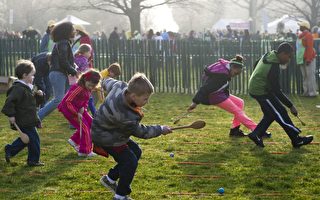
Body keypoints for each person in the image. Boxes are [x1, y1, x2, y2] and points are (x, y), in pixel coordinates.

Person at [91, 73, 172, 200]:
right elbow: (141, 132)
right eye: (145, 99)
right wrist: (160, 129)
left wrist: (102, 80)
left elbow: (107, 81)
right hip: (106, 137)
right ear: (133, 96)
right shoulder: (125, 115)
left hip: (112, 131)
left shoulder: (120, 86)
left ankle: (110, 179)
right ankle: (120, 196)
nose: (147, 101)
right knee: (130, 161)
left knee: (136, 151)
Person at [248, 42, 313, 148]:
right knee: (280, 113)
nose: (289, 59)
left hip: (262, 89)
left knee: (271, 114)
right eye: (289, 56)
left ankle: (256, 134)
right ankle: (296, 139)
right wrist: (291, 105)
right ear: (283, 53)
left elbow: (256, 63)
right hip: (260, 91)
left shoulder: (270, 55)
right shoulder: (274, 66)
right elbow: (277, 91)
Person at [187, 55, 270, 138]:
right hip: (214, 96)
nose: (235, 75)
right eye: (236, 73)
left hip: (220, 93)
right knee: (238, 111)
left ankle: (235, 130)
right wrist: (195, 102)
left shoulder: (227, 66)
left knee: (240, 102)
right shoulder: (221, 76)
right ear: (232, 67)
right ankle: (258, 131)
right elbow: (205, 88)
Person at [2, 60, 45, 166]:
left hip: (28, 119)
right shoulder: (18, 89)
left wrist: (39, 96)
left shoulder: (27, 88)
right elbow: (9, 102)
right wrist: (11, 115)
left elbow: (32, 104)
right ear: (24, 75)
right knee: (34, 140)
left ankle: (10, 150)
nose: (33, 77)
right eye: (32, 75)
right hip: (23, 119)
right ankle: (33, 160)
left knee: (26, 139)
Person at [38, 22, 78, 121]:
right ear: (67, 31)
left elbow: (66, 60)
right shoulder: (63, 43)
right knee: (58, 99)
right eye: (73, 29)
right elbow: (63, 61)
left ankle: (72, 121)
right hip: (58, 73)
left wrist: (73, 67)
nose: (75, 31)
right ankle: (37, 117)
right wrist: (73, 70)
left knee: (68, 99)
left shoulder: (64, 42)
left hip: (63, 73)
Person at [58, 70, 101, 157]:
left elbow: (85, 101)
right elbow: (67, 101)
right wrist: (76, 113)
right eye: (89, 85)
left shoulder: (88, 89)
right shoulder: (78, 88)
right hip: (69, 110)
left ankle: (74, 140)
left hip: (79, 109)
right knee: (85, 128)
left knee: (92, 124)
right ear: (85, 79)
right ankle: (84, 151)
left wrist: (82, 109)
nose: (90, 88)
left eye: (93, 86)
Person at [73, 44, 97, 115]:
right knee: (89, 99)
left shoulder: (76, 58)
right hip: (83, 83)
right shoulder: (84, 60)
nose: (90, 54)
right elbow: (84, 72)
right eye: (89, 52)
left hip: (76, 82)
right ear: (85, 52)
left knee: (82, 101)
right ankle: (95, 115)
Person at [296, 20, 318, 97]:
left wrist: (308, 59)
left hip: (308, 58)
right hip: (302, 59)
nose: (299, 27)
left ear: (305, 27)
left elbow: (309, 48)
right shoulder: (301, 35)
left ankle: (312, 93)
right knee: (305, 76)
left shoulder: (308, 35)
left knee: (310, 76)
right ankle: (306, 92)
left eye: (300, 26)